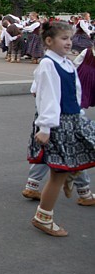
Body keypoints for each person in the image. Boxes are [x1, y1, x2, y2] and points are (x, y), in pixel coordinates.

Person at [27, 21, 95, 236]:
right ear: (49, 41)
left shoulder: (65, 62)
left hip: (72, 118)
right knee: (58, 173)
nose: (69, 42)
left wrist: (79, 114)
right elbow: (46, 95)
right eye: (64, 38)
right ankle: (43, 217)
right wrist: (45, 126)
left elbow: (71, 91)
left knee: (83, 153)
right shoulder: (48, 64)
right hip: (58, 124)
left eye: (70, 38)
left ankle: (72, 176)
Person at [74, 44, 95, 109]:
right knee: (88, 92)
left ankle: (79, 106)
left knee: (81, 91)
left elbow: (76, 62)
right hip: (93, 76)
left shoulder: (87, 51)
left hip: (83, 73)